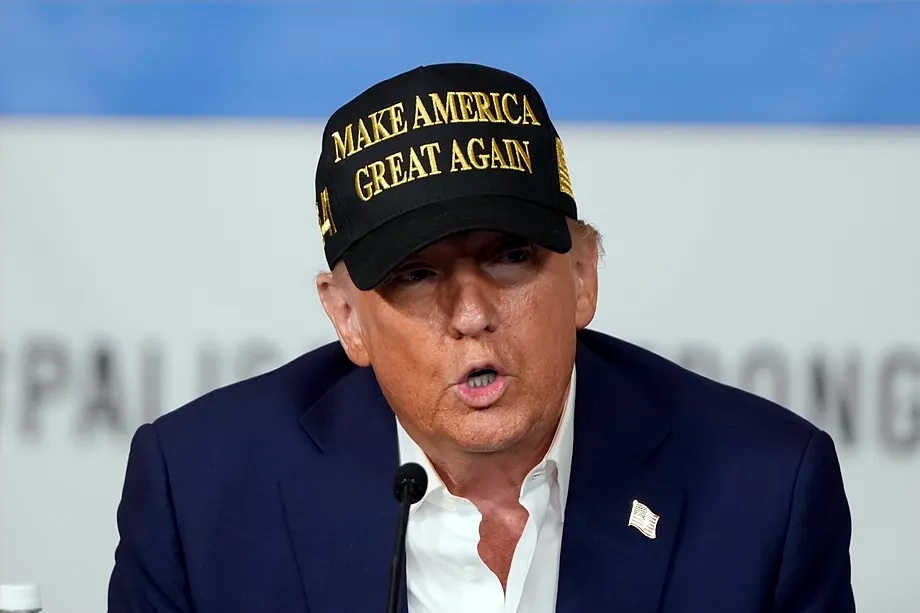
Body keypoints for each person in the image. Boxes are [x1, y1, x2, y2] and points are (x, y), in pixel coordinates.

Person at [108, 63, 856, 612]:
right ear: (346, 318)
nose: (471, 313)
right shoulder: (201, 493)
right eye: (414, 273)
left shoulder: (765, 492)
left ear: (585, 274)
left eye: (511, 256)